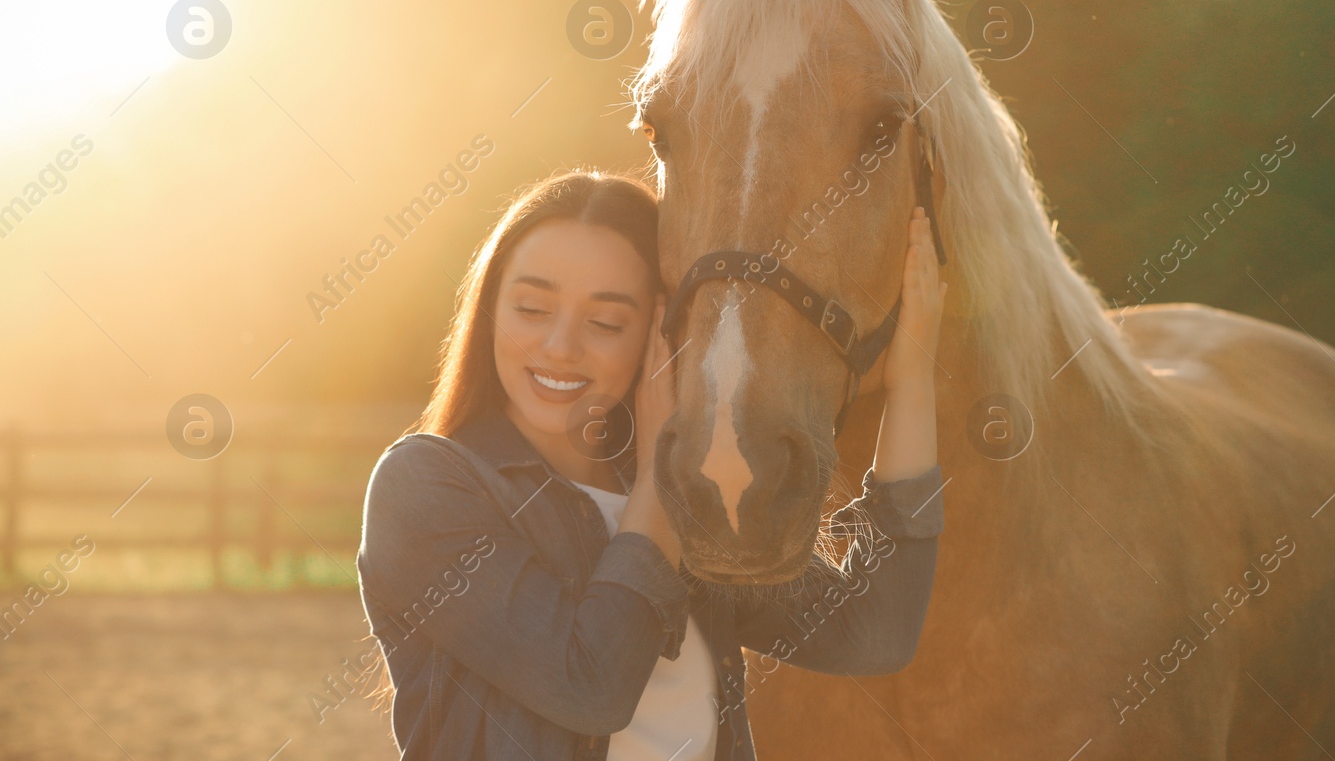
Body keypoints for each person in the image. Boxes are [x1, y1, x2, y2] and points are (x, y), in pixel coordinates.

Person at [357, 170, 946, 760]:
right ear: (489, 310)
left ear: (656, 335)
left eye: (606, 322)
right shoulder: (422, 486)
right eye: (532, 309)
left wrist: (912, 377)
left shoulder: (683, 494)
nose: (560, 346)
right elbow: (591, 689)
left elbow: (874, 630)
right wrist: (663, 466)